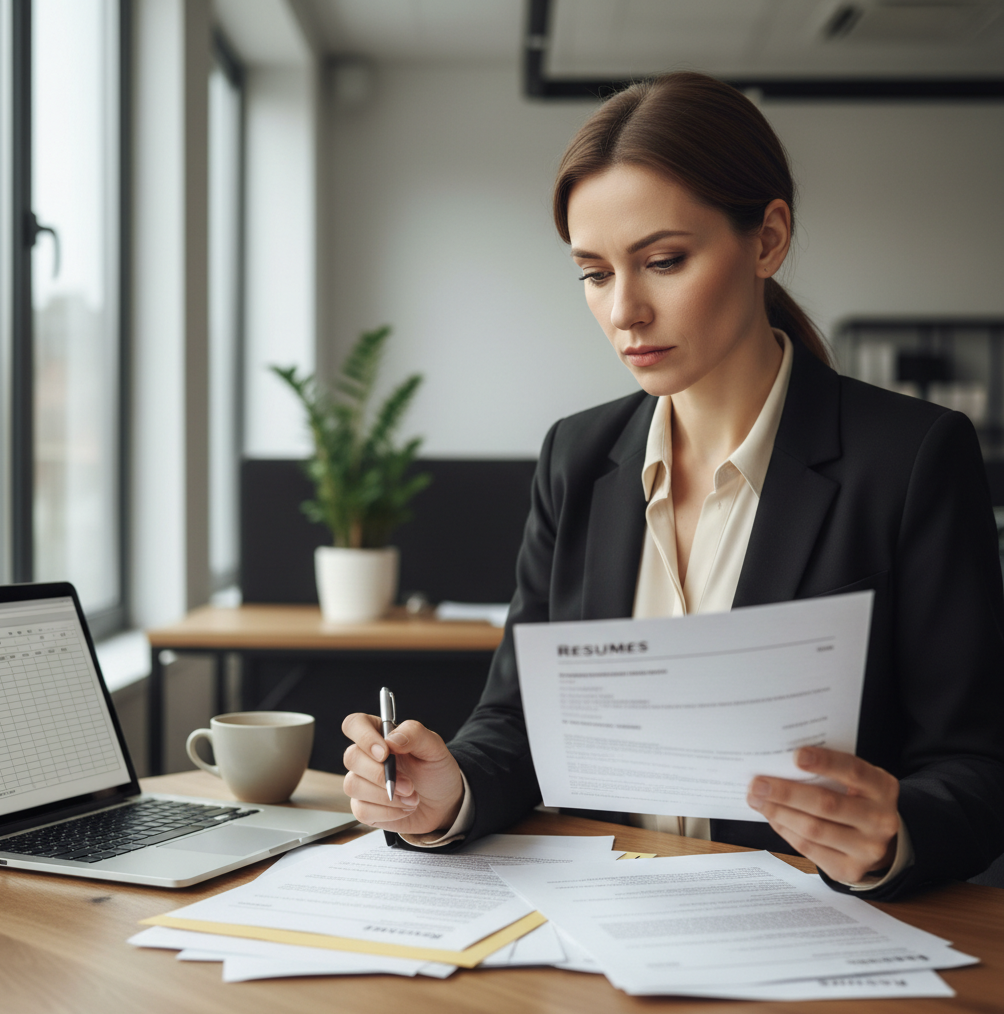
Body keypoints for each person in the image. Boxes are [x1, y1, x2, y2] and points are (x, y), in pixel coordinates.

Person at [341, 72, 1004, 899]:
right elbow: (516, 723)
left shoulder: (910, 458)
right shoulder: (576, 457)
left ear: (768, 239)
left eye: (663, 261)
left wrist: (893, 832)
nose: (625, 311)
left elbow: (977, 769)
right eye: (594, 273)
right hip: (600, 925)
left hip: (805, 935)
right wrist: (449, 791)